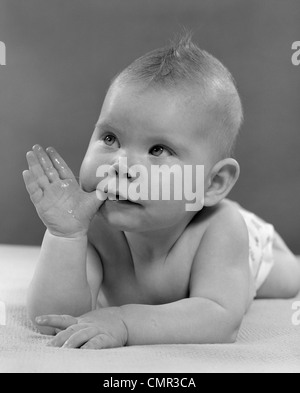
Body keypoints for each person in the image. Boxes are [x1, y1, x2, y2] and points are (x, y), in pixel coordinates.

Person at [23, 35, 300, 349]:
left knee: (288, 279)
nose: (120, 164)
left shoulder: (219, 230)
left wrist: (125, 321)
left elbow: (221, 319)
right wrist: (64, 236)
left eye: (157, 150)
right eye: (111, 138)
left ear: (213, 183)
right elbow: (54, 319)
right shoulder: (95, 230)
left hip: (251, 246)